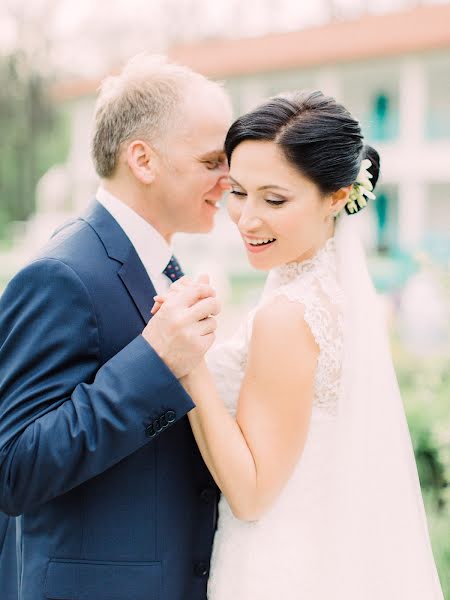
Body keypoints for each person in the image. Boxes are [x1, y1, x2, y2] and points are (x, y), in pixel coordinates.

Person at [156, 91, 444, 598]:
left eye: (275, 199)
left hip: (272, 570)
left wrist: (190, 362)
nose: (246, 218)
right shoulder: (330, 290)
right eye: (238, 192)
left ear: (336, 197)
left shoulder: (289, 315)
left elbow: (251, 493)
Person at [0, 54, 232, 600]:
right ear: (143, 160)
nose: (229, 180)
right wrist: (153, 363)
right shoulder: (61, 274)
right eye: (211, 161)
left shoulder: (162, 268)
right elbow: (14, 468)